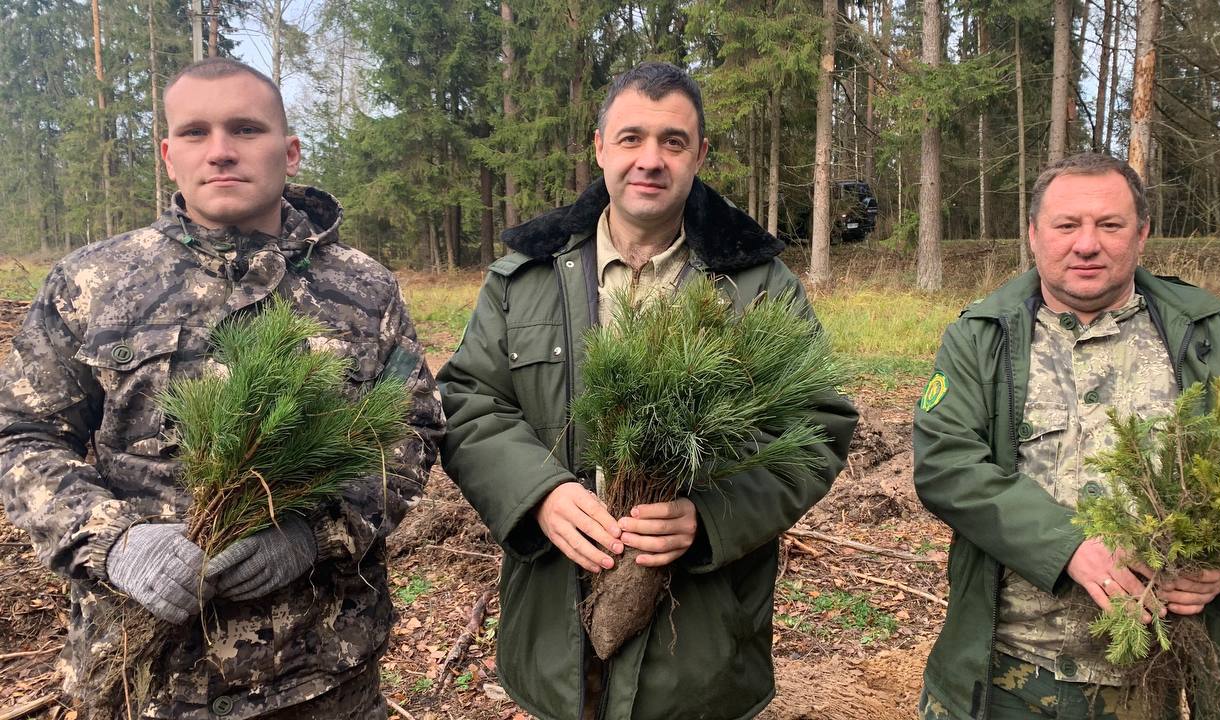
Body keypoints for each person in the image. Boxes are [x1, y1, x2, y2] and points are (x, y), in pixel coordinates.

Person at [0, 57, 443, 719]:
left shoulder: (364, 288)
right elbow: (21, 438)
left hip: (323, 680)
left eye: (246, 129)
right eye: (197, 133)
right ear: (168, 154)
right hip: (144, 682)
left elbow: (410, 433)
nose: (222, 151)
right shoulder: (94, 282)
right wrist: (116, 540)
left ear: (289, 152)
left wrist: (313, 535)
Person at [438, 61, 858, 720]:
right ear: (600, 146)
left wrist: (711, 516)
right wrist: (538, 493)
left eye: (673, 141)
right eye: (631, 138)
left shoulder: (758, 285)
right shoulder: (525, 278)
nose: (650, 160)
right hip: (554, 631)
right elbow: (467, 401)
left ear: (700, 155)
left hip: (699, 654)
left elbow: (817, 425)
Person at [913, 152, 1220, 720]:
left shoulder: (1211, 333)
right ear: (1034, 234)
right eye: (1066, 226)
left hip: (1154, 680)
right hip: (1004, 670)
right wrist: (1069, 547)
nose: (1087, 244)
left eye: (1109, 225)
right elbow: (947, 462)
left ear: (1142, 234)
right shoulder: (981, 335)